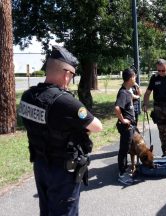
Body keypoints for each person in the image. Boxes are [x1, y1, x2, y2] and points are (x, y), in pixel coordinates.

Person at [18, 45, 103, 216]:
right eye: (72, 76)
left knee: (47, 210)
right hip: (63, 170)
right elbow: (97, 126)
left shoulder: (28, 96)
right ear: (66, 74)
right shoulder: (65, 102)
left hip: (41, 164)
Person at [114, 68, 137, 185]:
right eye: (135, 77)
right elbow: (117, 108)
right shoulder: (123, 93)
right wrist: (123, 120)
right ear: (131, 78)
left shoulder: (128, 91)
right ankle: (122, 174)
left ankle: (125, 168)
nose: (136, 79)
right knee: (124, 149)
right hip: (126, 127)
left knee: (127, 148)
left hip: (130, 126)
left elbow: (130, 101)